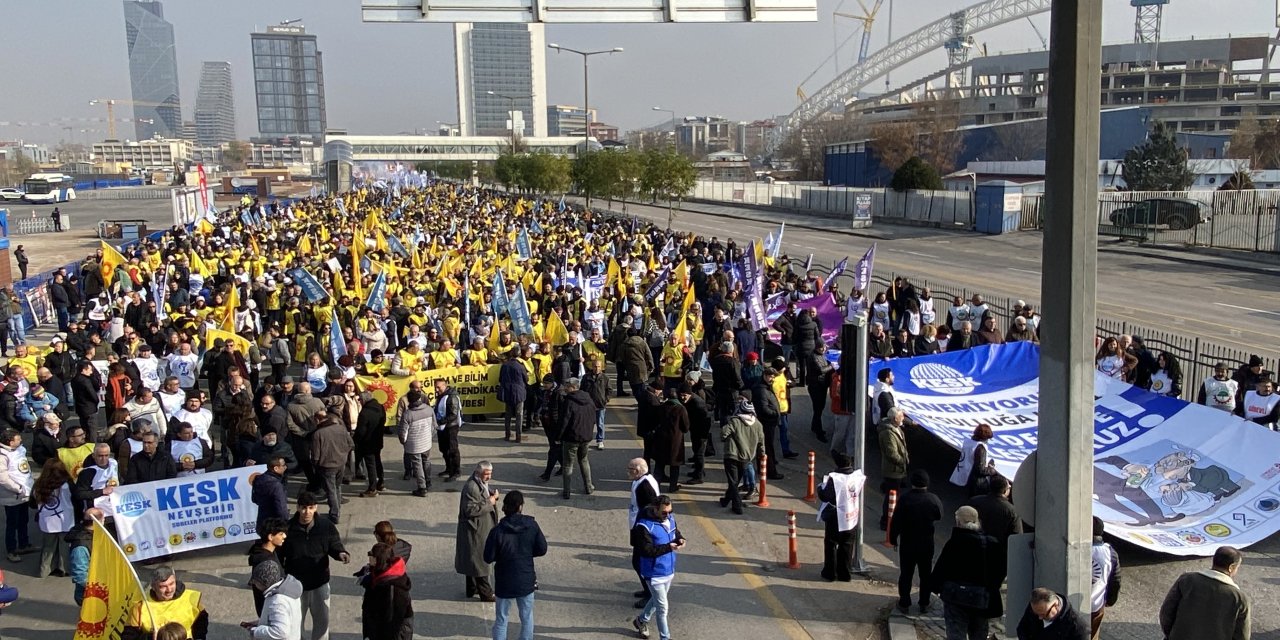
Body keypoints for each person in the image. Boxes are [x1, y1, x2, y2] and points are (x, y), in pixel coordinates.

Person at [280, 491, 350, 640]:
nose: (307, 512)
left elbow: (334, 544)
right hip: (296, 585)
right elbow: (279, 555)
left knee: (322, 621)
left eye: (311, 508)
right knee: (296, 622)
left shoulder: (325, 526)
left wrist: (341, 553)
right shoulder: (287, 529)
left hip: (320, 582)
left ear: (316, 508)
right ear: (298, 507)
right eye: (304, 508)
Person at [929, 506, 1002, 640]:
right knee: (979, 633)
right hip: (980, 598)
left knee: (956, 633)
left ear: (958, 522)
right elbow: (999, 571)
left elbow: (942, 568)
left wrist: (935, 587)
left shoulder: (955, 543)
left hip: (955, 597)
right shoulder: (991, 543)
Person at [485, 490, 548, 640]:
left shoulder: (497, 531)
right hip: (525, 579)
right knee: (527, 617)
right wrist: (526, 554)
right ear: (520, 507)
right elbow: (542, 549)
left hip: (504, 581)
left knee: (501, 618)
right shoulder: (532, 525)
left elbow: (488, 557)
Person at [1158, 546, 1250, 640]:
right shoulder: (1239, 598)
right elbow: (1242, 635)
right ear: (1231, 567)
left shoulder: (1187, 580)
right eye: (1237, 567)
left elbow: (1167, 613)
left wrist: (1172, 634)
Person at [631, 495, 685, 640]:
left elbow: (675, 531)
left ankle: (641, 621)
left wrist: (680, 538)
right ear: (655, 509)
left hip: (668, 569)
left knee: (656, 601)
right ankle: (665, 637)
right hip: (654, 574)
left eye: (670, 511)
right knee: (662, 608)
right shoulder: (644, 526)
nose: (668, 515)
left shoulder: (670, 518)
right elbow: (646, 551)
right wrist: (669, 547)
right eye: (664, 512)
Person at [890, 470, 943, 614]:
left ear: (912, 483)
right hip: (926, 544)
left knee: (906, 573)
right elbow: (939, 515)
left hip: (908, 543)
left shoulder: (905, 499)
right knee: (926, 574)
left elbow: (896, 521)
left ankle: (904, 602)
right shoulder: (933, 499)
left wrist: (893, 538)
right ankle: (924, 603)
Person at [122, 565, 209, 640]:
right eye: (163, 587)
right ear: (153, 587)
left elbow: (201, 624)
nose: (169, 590)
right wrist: (150, 637)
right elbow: (128, 637)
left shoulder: (191, 599)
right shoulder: (140, 607)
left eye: (172, 584)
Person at [456, 461, 500, 602]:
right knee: (480, 562)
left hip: (479, 527)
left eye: (490, 474)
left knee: (473, 560)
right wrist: (490, 502)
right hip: (476, 529)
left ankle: (472, 588)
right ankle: (486, 593)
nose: (489, 477)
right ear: (479, 473)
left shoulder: (478, 482)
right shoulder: (471, 487)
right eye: (487, 474)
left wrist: (491, 496)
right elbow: (470, 510)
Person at [817, 451, 861, 582]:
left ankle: (830, 572)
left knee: (831, 543)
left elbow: (826, 496)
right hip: (851, 514)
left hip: (836, 515)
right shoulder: (857, 476)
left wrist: (820, 488)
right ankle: (844, 573)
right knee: (847, 545)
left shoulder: (835, 478)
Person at [360, 542, 414, 640]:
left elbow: (392, 623)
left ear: (378, 559)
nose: (369, 556)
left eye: (371, 554)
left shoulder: (392, 588)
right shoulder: (378, 575)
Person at [240, 558, 303, 640]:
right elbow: (284, 619)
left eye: (256, 581)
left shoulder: (277, 602)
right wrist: (260, 622)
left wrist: (255, 631)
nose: (255, 584)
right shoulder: (289, 591)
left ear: (264, 582)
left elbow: (281, 631)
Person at [719, 397, 763, 515]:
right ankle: (726, 500)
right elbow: (761, 443)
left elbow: (723, 434)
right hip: (746, 457)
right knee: (735, 481)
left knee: (733, 482)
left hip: (731, 455)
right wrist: (762, 455)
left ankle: (737, 506)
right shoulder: (758, 425)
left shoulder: (735, 421)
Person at [627, 458, 661, 605]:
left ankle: (649, 593)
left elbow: (650, 509)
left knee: (639, 562)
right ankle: (647, 590)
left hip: (642, 529)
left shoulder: (645, 487)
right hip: (638, 525)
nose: (628, 472)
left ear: (638, 471)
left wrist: (643, 531)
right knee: (638, 561)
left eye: (630, 469)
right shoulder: (642, 481)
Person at [33, 458, 74, 578]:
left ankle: (44, 570)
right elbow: (72, 501)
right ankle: (64, 569)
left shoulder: (39, 484)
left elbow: (33, 502)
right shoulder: (66, 484)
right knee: (64, 546)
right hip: (65, 519)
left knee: (48, 547)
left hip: (47, 521)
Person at [309, 412, 353, 523]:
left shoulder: (318, 434)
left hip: (327, 466)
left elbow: (315, 455)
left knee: (331, 490)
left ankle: (334, 514)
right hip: (341, 463)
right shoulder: (341, 429)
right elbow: (351, 445)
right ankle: (337, 509)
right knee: (337, 487)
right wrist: (343, 454)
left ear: (318, 420)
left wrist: (316, 466)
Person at [557, 378, 596, 499]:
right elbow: (593, 418)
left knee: (568, 464)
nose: (564, 388)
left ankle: (566, 491)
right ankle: (588, 487)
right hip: (586, 437)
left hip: (571, 438)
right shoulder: (589, 399)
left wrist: (558, 436)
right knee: (584, 460)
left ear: (572, 387)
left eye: (566, 386)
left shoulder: (569, 402)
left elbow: (564, 421)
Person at [0, 429, 34, 563]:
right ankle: (11, 550)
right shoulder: (2, 456)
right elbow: (3, 478)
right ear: (10, 442)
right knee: (12, 524)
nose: (21, 441)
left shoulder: (19, 450)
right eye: (18, 439)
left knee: (23, 520)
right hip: (12, 496)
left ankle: (24, 544)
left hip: (24, 493)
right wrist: (18, 488)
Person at [397, 389, 435, 497]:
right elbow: (434, 426)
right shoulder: (429, 409)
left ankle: (422, 488)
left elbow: (403, 433)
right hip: (427, 442)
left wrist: (403, 442)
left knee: (417, 465)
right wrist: (429, 437)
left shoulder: (408, 414)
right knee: (426, 461)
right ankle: (428, 481)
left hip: (414, 445)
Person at [877, 407, 910, 530]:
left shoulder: (896, 428)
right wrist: (902, 462)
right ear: (895, 418)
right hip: (893, 471)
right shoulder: (888, 433)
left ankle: (890, 518)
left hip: (897, 470)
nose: (903, 419)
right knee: (891, 497)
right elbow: (892, 453)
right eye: (901, 416)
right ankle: (886, 521)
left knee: (894, 495)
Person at [1089, 517, 1121, 640]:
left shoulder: (1075, 548)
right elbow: (1115, 580)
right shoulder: (1109, 552)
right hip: (1096, 605)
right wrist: (1110, 600)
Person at [1016, 587, 1091, 640]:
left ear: (1056, 605)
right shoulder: (1037, 606)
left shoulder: (1078, 629)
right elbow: (1022, 628)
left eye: (1044, 614)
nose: (1040, 618)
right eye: (1036, 614)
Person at [247, 518, 287, 615]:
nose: (284, 536)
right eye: (281, 534)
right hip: (271, 612)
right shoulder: (266, 562)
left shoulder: (268, 552)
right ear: (270, 537)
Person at [949, 423, 997, 496]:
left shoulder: (967, 442)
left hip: (964, 474)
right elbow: (980, 469)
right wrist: (992, 470)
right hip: (975, 482)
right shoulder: (980, 447)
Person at [68, 507, 103, 605]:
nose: (104, 520)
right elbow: (80, 575)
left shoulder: (94, 534)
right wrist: (98, 589)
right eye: (102, 518)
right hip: (90, 595)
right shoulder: (81, 546)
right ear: (96, 521)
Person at [354, 392, 386, 497]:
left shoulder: (364, 413)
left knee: (370, 465)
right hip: (378, 440)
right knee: (378, 461)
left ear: (364, 400)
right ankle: (381, 482)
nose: (360, 402)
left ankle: (372, 488)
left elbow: (361, 431)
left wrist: (356, 441)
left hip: (367, 443)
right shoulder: (380, 407)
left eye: (361, 400)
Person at [434, 378, 464, 482]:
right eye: (435, 387)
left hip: (451, 427)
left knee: (452, 450)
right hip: (442, 427)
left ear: (445, 385)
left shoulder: (452, 397)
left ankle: (456, 471)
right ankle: (448, 468)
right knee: (443, 448)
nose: (436, 389)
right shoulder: (441, 395)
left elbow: (453, 414)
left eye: (438, 387)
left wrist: (441, 421)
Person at [252, 457, 290, 536]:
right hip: (274, 527)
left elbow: (254, 499)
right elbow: (281, 509)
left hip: (261, 523)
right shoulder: (276, 485)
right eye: (283, 465)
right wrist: (286, 523)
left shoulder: (258, 479)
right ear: (276, 468)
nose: (285, 467)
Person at [498, 352, 528, 443]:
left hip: (507, 391)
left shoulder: (504, 365)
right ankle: (518, 436)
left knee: (508, 414)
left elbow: (500, 379)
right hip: (519, 392)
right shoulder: (520, 366)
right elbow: (526, 379)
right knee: (519, 415)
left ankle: (507, 434)